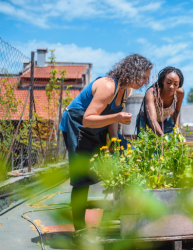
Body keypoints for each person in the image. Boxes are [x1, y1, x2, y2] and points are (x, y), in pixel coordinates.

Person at [59, 54, 153, 249]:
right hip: (78, 125)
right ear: (133, 72)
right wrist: (118, 117)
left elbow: (111, 119)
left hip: (96, 127)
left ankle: (125, 213)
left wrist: (116, 141)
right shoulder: (108, 86)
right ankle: (80, 230)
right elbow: (88, 118)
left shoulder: (124, 91)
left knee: (124, 154)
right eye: (144, 77)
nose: (147, 81)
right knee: (82, 178)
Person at [136, 66, 184, 136]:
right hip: (147, 122)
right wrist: (162, 138)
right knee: (147, 145)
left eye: (175, 84)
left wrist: (176, 129)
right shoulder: (152, 92)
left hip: (165, 121)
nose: (171, 87)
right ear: (162, 81)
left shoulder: (179, 93)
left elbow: (177, 111)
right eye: (168, 82)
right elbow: (152, 119)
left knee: (174, 143)